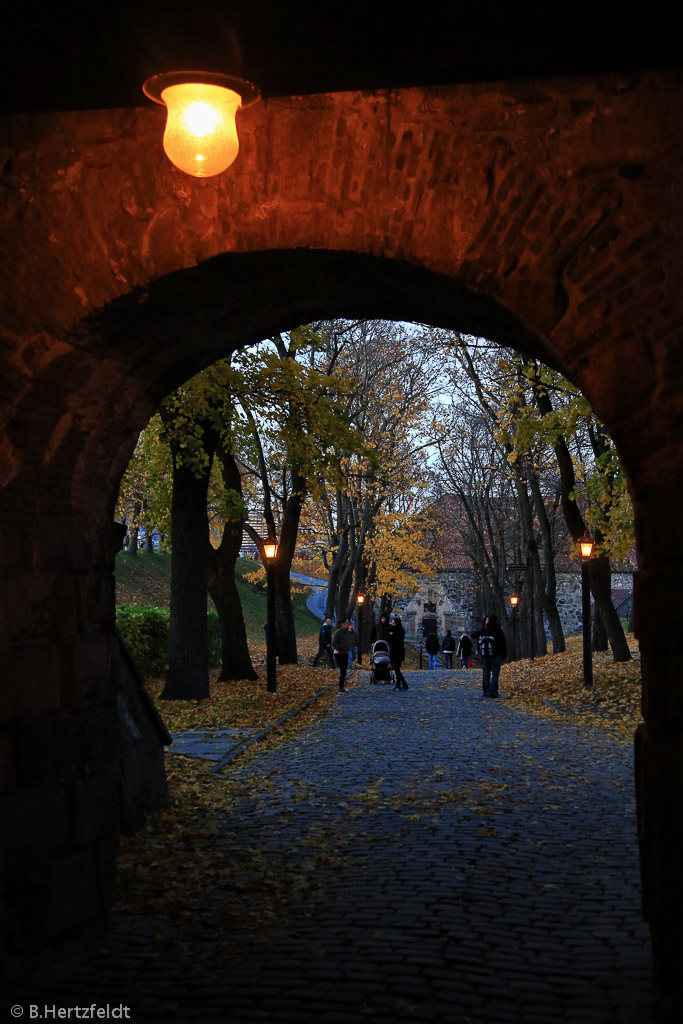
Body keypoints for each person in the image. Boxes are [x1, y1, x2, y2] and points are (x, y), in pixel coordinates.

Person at [477, 614, 507, 697]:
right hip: (496, 655)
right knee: (495, 674)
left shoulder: (484, 630)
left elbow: (474, 635)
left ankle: (486, 690)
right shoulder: (498, 631)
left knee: (486, 673)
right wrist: (503, 655)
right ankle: (493, 691)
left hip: (485, 655)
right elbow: (503, 644)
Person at [332, 618, 352, 692]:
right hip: (339, 653)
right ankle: (340, 687)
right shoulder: (338, 632)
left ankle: (341, 686)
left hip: (345, 653)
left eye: (348, 623)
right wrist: (342, 647)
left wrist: (348, 647)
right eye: (346, 623)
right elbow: (334, 643)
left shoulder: (347, 632)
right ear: (342, 624)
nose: (348, 624)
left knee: (344, 670)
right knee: (343, 669)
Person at [389, 616, 409, 690]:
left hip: (397, 652)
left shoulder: (398, 631)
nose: (392, 624)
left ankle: (399, 685)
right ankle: (403, 683)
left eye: (394, 623)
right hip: (395, 651)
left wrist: (392, 634)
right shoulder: (395, 631)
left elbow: (395, 641)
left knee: (396, 669)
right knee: (396, 669)